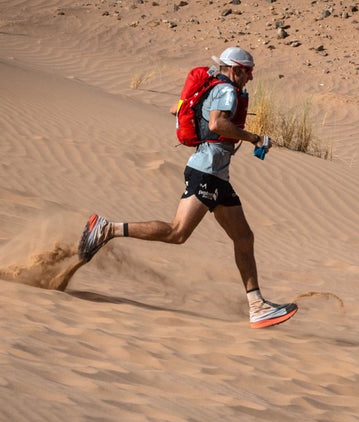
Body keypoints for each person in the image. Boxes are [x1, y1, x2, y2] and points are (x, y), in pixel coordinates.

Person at [77, 47, 297, 328]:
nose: (250, 78)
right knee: (177, 232)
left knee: (244, 237)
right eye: (248, 71)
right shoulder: (227, 91)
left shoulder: (214, 87)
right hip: (206, 172)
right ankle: (107, 229)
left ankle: (257, 306)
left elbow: (177, 108)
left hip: (217, 174)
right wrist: (254, 138)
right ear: (235, 69)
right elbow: (219, 123)